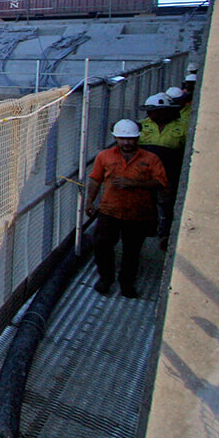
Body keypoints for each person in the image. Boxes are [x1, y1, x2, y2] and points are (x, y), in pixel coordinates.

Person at [84, 119, 168, 298]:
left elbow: (161, 182)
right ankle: (105, 279)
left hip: (138, 213)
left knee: (132, 250)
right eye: (122, 139)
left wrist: (133, 183)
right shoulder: (104, 156)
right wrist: (89, 201)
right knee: (102, 245)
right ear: (115, 137)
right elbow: (95, 179)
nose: (126, 142)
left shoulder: (150, 159)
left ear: (138, 139)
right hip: (109, 210)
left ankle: (127, 283)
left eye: (130, 139)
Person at [139, 93, 186, 249]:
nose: (150, 114)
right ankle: (148, 228)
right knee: (146, 201)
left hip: (170, 172)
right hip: (146, 173)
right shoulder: (141, 126)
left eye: (154, 111)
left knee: (167, 203)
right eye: (149, 111)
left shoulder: (183, 127)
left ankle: (165, 234)